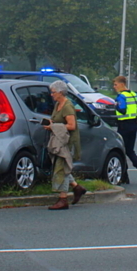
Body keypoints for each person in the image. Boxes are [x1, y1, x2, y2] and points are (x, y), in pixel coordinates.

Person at [44, 80, 87, 210]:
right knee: (62, 166)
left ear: (61, 93)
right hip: (58, 140)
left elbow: (72, 125)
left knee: (61, 168)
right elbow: (58, 121)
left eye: (53, 92)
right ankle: (77, 187)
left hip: (67, 142)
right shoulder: (58, 104)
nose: (51, 95)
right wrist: (50, 123)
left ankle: (63, 199)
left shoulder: (68, 106)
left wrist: (53, 127)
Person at [113, 75, 137, 184]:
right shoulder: (135, 94)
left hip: (123, 125)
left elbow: (122, 110)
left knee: (121, 150)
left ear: (122, 84)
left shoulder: (121, 97)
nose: (114, 87)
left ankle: (124, 176)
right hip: (134, 125)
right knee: (130, 150)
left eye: (116, 84)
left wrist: (116, 105)